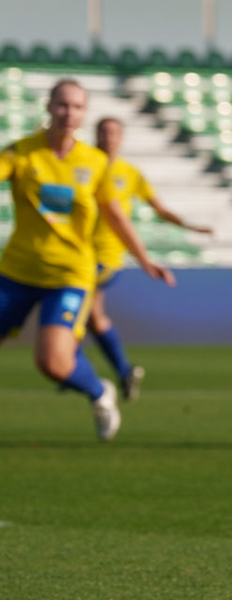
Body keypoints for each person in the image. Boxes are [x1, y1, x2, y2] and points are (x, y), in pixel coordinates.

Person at [0, 79, 175, 440]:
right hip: (16, 271)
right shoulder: (21, 153)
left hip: (69, 274)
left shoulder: (94, 163)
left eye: (78, 107)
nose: (69, 113)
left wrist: (145, 259)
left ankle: (100, 392)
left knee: (52, 363)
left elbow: (115, 215)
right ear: (49, 107)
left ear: (84, 114)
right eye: (63, 105)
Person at [85, 115, 213, 401]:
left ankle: (74, 369)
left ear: (121, 138)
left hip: (107, 254)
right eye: (103, 131)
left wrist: (190, 226)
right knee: (93, 318)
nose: (108, 137)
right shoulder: (82, 163)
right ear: (95, 134)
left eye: (114, 132)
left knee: (74, 304)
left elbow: (160, 210)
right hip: (76, 248)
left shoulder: (129, 173)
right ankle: (120, 371)